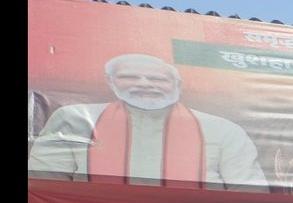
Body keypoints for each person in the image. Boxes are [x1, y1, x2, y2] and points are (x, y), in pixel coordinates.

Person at [28, 53, 266, 190]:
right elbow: (44, 186)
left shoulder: (222, 129)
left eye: (157, 79)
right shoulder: (75, 118)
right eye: (129, 77)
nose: (144, 84)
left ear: (178, 85)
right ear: (110, 81)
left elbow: (248, 193)